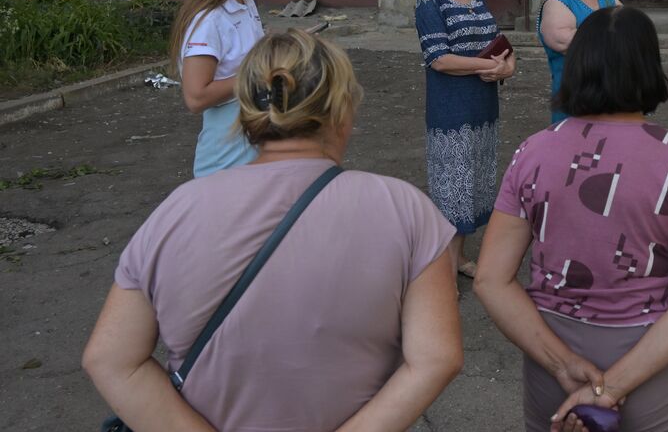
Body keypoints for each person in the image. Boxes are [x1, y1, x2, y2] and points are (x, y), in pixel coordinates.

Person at [83, 30, 463, 431]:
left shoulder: (177, 210)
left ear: (247, 113)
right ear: (341, 109)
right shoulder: (405, 209)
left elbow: (110, 359)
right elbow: (437, 358)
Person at [475, 6, 668, 432]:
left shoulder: (532, 153)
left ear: (579, 65)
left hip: (553, 361)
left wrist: (565, 366)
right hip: (652, 364)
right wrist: (609, 389)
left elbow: (491, 280)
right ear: (648, 66)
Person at [415, 0, 518, 279]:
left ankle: (457, 259)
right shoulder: (429, 1)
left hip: (483, 106)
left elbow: (501, 42)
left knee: (474, 186)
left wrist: (506, 67)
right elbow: (438, 59)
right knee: (452, 191)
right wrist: (485, 66)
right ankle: (440, 272)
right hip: (451, 110)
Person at [168, 0, 287, 178]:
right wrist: (259, 71)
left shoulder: (245, 2)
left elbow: (243, 59)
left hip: (254, 147)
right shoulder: (210, 19)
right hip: (226, 162)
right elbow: (196, 97)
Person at [538, 0, 619, 124]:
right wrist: (613, 35)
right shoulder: (557, 2)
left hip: (613, 95)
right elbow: (572, 43)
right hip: (576, 96)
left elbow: (630, 30)